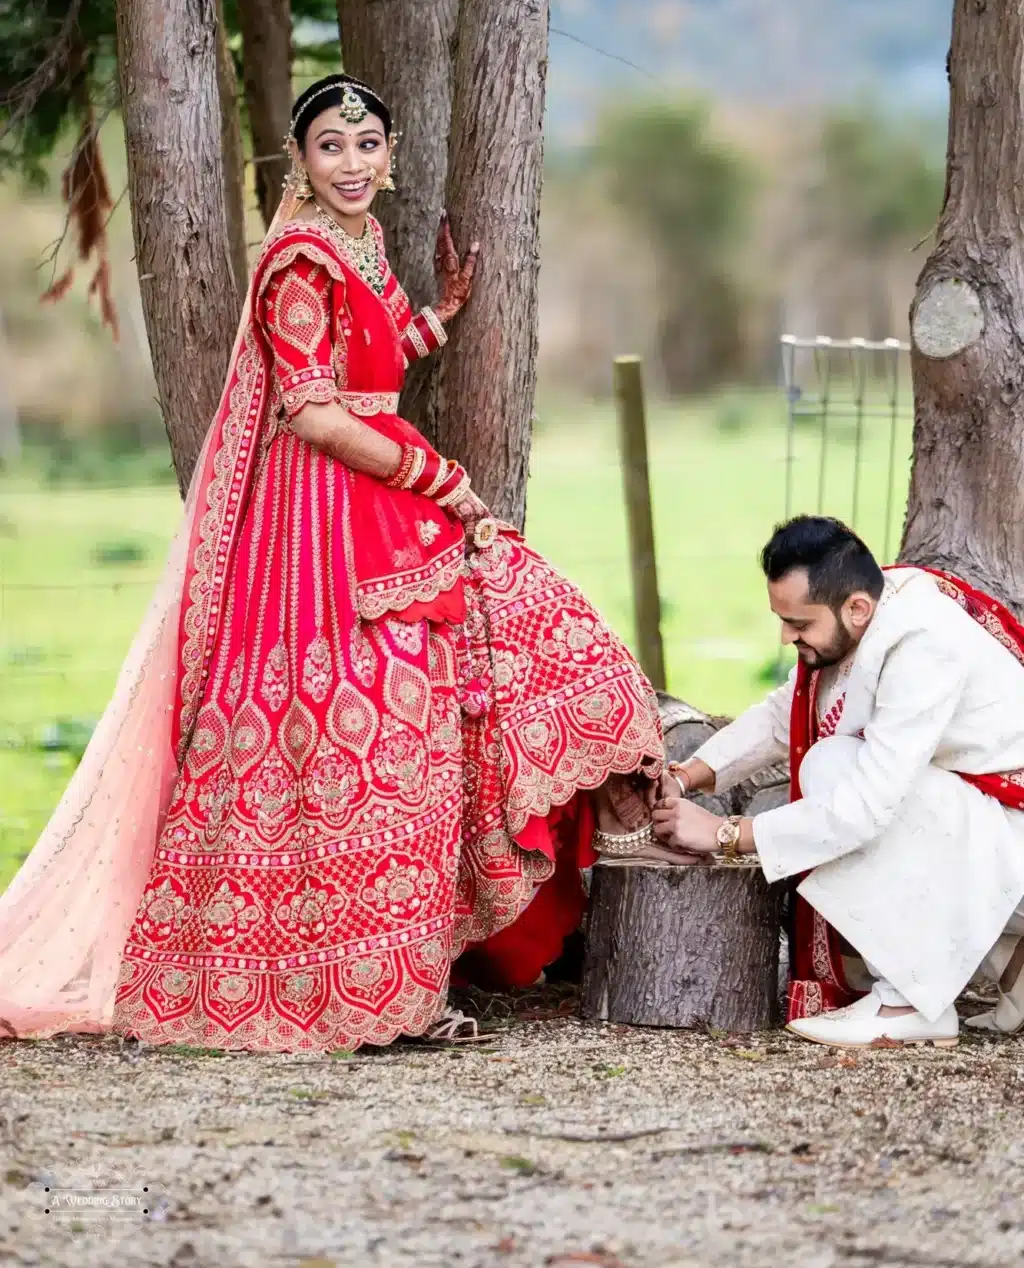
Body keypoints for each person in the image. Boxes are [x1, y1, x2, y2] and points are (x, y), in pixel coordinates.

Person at [0, 74, 689, 1054]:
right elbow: (314, 409)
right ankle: (348, 990)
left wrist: (436, 316)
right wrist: (440, 477)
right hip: (316, 532)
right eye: (331, 146)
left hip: (376, 507)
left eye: (368, 145)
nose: (353, 163)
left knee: (505, 655)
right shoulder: (296, 259)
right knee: (364, 743)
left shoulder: (358, 246)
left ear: (392, 152)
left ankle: (598, 841)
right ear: (300, 160)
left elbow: (368, 363)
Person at [653, 515, 1024, 1048]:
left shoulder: (923, 642)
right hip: (991, 830)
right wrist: (685, 776)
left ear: (855, 607)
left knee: (839, 770)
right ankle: (1011, 964)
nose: (786, 637)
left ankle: (907, 1004)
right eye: (782, 619)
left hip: (1013, 832)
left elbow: (867, 806)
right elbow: (786, 713)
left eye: (799, 624)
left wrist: (725, 834)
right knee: (833, 763)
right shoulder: (864, 613)